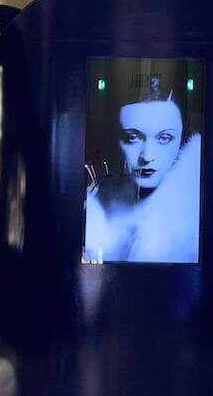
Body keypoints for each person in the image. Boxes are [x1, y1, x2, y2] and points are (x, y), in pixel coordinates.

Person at [84, 67, 200, 263]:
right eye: (133, 137)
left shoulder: (193, 220)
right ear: (117, 139)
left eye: (164, 138)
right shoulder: (98, 204)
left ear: (182, 140)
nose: (147, 156)